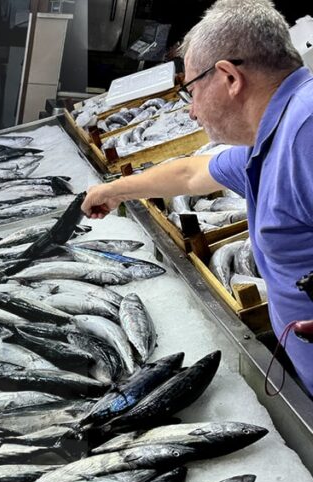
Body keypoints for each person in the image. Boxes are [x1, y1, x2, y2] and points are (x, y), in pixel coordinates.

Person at [81, 0, 313, 390]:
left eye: (191, 90)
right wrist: (115, 190)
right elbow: (192, 174)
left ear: (228, 78)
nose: (191, 112)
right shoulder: (275, 134)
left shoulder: (306, 129)